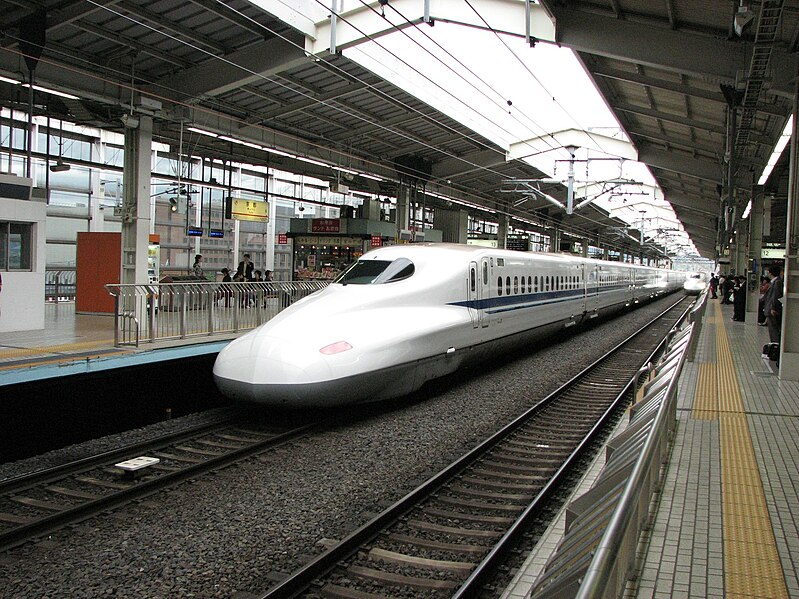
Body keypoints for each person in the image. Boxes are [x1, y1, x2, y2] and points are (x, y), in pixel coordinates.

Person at [762, 264, 783, 346]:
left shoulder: (777, 282)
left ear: (770, 273)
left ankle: (775, 346)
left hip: (772, 310)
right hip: (770, 309)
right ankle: (774, 344)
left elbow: (775, 296)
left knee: (774, 330)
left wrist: (773, 308)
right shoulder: (774, 282)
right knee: (772, 329)